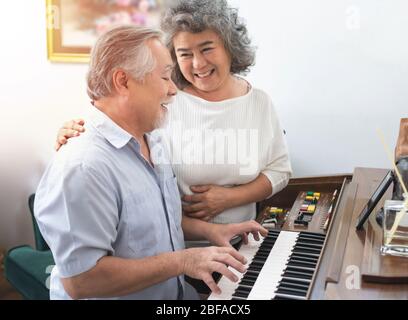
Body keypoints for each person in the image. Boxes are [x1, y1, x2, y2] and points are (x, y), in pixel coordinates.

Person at [35, 25, 267, 300]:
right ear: (123, 81)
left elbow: (158, 220)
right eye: (166, 77)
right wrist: (183, 261)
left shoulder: (152, 139)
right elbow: (82, 281)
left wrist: (212, 231)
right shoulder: (82, 167)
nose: (173, 90)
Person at [56, 0, 291, 233]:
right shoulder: (163, 100)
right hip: (175, 248)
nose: (198, 63)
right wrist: (74, 135)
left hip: (243, 241)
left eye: (207, 48)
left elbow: (279, 169)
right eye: (185, 53)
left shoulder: (259, 102)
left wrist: (230, 198)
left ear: (230, 46)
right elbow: (113, 131)